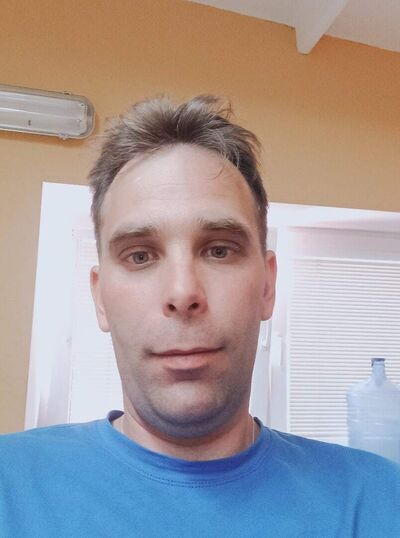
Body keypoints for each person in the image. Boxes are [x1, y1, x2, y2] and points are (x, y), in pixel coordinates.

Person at [0, 95, 399, 537]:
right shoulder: (10, 487)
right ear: (100, 298)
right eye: (139, 256)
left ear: (267, 286)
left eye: (219, 250)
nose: (183, 292)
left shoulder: (380, 500)